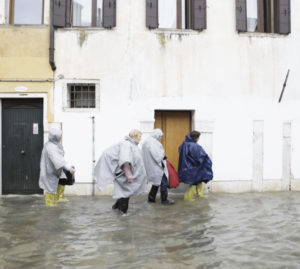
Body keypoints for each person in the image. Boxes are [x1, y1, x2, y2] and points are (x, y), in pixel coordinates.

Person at [94, 129, 147, 215]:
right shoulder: (126, 144)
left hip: (127, 174)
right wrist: (129, 175)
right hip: (125, 175)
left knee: (125, 192)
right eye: (140, 136)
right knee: (126, 193)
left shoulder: (133, 145)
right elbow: (125, 160)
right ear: (134, 136)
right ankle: (123, 213)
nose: (140, 139)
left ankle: (116, 207)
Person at [39, 128, 75, 206]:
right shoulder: (51, 147)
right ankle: (49, 204)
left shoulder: (54, 144)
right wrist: (69, 168)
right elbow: (58, 160)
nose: (61, 137)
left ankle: (59, 198)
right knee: (50, 187)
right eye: (60, 136)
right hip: (51, 170)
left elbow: (60, 158)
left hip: (55, 169)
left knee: (62, 179)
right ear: (56, 137)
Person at [178, 130, 213, 201]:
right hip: (194, 167)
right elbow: (199, 157)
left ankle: (199, 194)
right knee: (194, 181)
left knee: (199, 179)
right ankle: (188, 197)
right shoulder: (194, 145)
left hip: (187, 166)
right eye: (198, 138)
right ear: (196, 138)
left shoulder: (184, 144)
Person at [141, 129, 174, 205]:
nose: (160, 137)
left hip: (151, 166)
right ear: (156, 134)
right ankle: (164, 200)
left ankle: (151, 198)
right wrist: (163, 157)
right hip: (157, 166)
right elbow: (157, 156)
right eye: (160, 136)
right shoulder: (153, 142)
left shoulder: (147, 141)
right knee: (163, 182)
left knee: (156, 182)